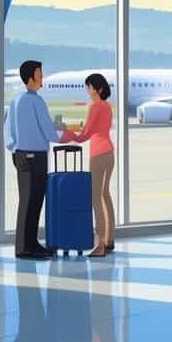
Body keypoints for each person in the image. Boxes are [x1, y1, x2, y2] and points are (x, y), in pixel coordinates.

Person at [4, 60, 64, 260]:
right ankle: (26, 247)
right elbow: (48, 128)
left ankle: (28, 244)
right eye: (39, 74)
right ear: (31, 77)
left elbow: (7, 128)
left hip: (20, 154)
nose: (42, 77)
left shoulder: (16, 99)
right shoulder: (35, 100)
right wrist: (62, 137)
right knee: (34, 201)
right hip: (35, 157)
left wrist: (14, 147)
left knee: (26, 201)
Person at [60, 73, 115, 257]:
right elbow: (96, 129)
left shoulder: (94, 106)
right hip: (109, 152)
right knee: (105, 195)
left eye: (89, 87)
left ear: (98, 89)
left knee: (96, 197)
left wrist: (67, 134)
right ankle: (109, 239)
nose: (87, 90)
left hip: (98, 153)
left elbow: (85, 134)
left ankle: (99, 244)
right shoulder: (107, 106)